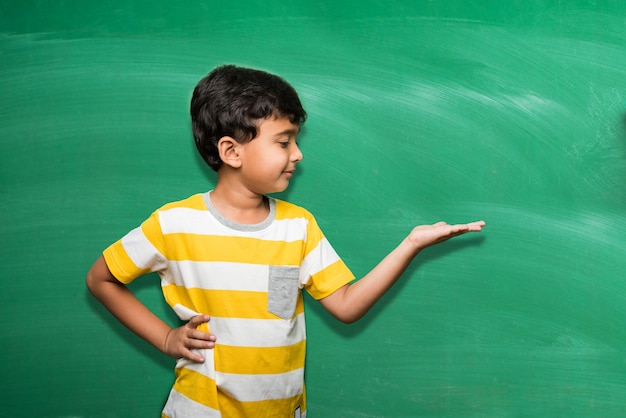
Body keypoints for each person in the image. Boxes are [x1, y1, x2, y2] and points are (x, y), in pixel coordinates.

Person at [86, 64, 485, 418]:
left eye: (296, 141)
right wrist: (166, 338)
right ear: (231, 151)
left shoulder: (298, 226)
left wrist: (411, 245)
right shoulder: (174, 223)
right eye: (283, 141)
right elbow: (101, 279)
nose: (297, 154)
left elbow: (346, 306)